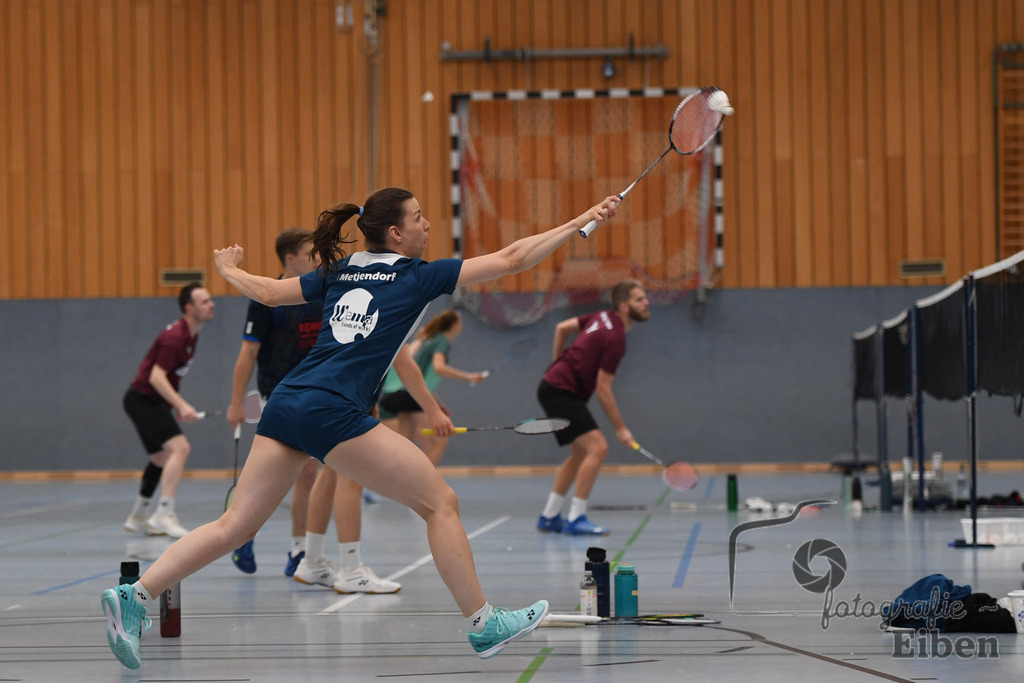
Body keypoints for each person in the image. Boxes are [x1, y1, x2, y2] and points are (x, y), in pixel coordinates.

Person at [101, 187, 618, 668]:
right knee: (440, 504)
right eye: (418, 218)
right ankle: (484, 623)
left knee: (233, 526)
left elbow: (269, 292)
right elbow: (512, 258)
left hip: (289, 401)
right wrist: (580, 221)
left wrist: (229, 270)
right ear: (396, 233)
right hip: (333, 409)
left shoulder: (339, 270)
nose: (427, 225)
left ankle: (135, 596)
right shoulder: (418, 276)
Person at [227, 227, 398, 593]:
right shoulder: (266, 299)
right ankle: (260, 537)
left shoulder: (324, 290)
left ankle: (301, 551)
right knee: (298, 475)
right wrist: (236, 402)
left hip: (322, 395)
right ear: (290, 258)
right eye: (310, 253)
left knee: (317, 474)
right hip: (279, 394)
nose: (317, 260)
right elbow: (247, 354)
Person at [534, 280, 651, 536]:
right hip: (561, 391)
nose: (646, 302)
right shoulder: (615, 338)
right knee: (599, 448)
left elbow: (561, 328)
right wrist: (621, 429)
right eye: (639, 299)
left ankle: (550, 515)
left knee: (580, 454)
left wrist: (557, 363)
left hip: (553, 386)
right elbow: (603, 388)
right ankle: (576, 518)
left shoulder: (601, 316)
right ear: (624, 306)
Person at [122, 283, 215, 539]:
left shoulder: (190, 335)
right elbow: (156, 377)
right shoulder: (175, 337)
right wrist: (182, 405)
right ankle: (164, 513)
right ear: (189, 308)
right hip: (142, 400)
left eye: (210, 300)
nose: (212, 304)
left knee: (161, 459)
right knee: (180, 448)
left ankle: (139, 515)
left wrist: (172, 405)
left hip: (150, 402)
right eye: (205, 301)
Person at [379, 310, 486, 465]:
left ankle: (402, 482)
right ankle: (422, 482)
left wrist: (437, 402)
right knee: (439, 442)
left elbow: (424, 379)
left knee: (405, 445)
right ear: (455, 325)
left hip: (404, 395)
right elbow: (438, 367)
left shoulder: (432, 340)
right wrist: (469, 376)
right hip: (410, 396)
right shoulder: (442, 341)